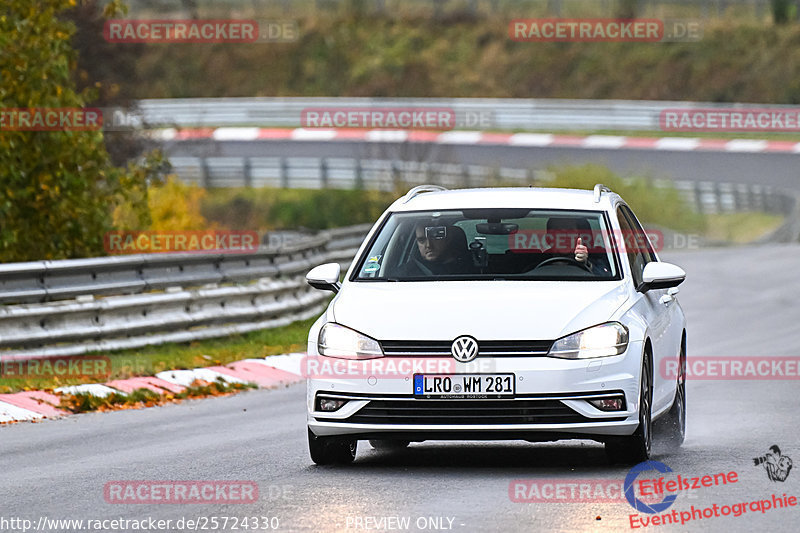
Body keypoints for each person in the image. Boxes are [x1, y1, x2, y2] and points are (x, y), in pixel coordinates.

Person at [537, 217, 612, 276]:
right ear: (548, 239)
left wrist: (587, 264)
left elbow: (610, 281)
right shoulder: (536, 262)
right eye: (558, 230)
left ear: (578, 236)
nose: (564, 235)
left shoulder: (598, 259)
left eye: (570, 230)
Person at [397, 222, 473, 277]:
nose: (428, 245)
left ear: (448, 238)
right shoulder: (404, 274)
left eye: (434, 238)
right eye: (421, 240)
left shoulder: (470, 269)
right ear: (417, 243)